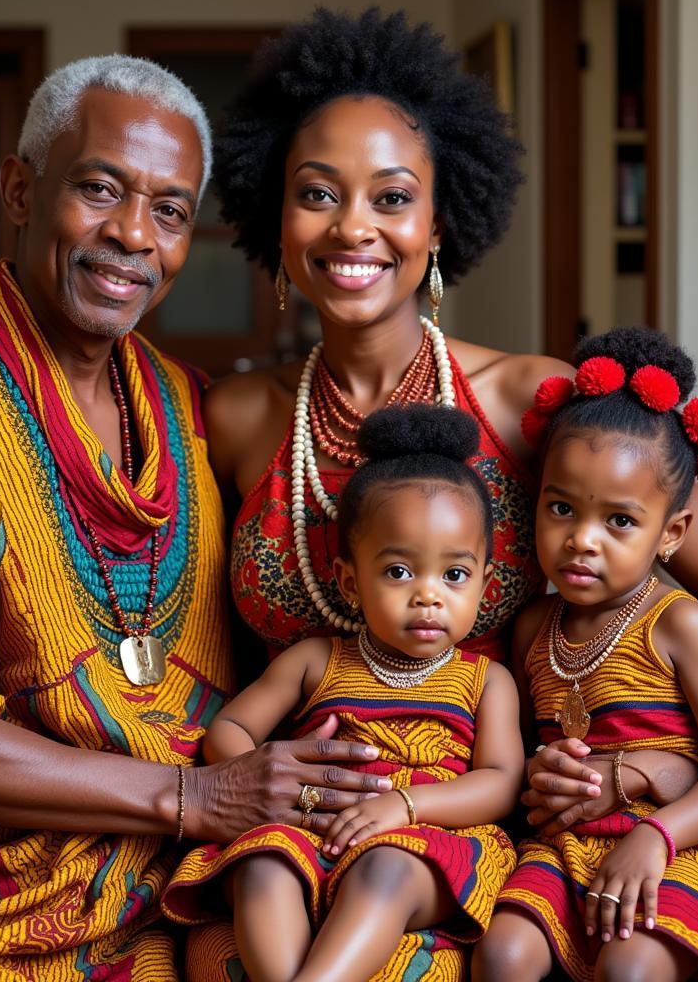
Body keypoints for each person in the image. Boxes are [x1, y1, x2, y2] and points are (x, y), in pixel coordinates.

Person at [0, 56, 391, 981]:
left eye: (171, 211)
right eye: (100, 189)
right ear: (20, 191)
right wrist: (188, 794)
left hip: (199, 878)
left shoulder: (188, 405)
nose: (134, 235)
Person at [202, 4, 698, 923]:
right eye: (318, 193)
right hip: (302, 831)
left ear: (437, 226)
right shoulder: (237, 419)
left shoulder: (527, 403)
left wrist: (651, 763)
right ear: (275, 219)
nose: (354, 227)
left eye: (392, 198)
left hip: (504, 833)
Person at [472, 327, 698, 982]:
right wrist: (544, 773)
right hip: (568, 843)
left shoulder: (681, 625)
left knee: (632, 965)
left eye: (619, 521)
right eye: (561, 508)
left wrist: (656, 835)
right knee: (503, 953)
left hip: (677, 837)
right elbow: (531, 750)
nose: (581, 541)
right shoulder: (535, 625)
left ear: (671, 533)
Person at [163, 405, 523, 982]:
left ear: (484, 582)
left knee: (385, 866)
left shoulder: (485, 681)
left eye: (454, 575)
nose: (428, 596)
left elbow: (502, 782)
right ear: (351, 582)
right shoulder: (316, 660)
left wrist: (403, 807)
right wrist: (276, 786)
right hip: (312, 830)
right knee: (261, 863)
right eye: (400, 572)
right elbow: (228, 732)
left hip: (424, 844)